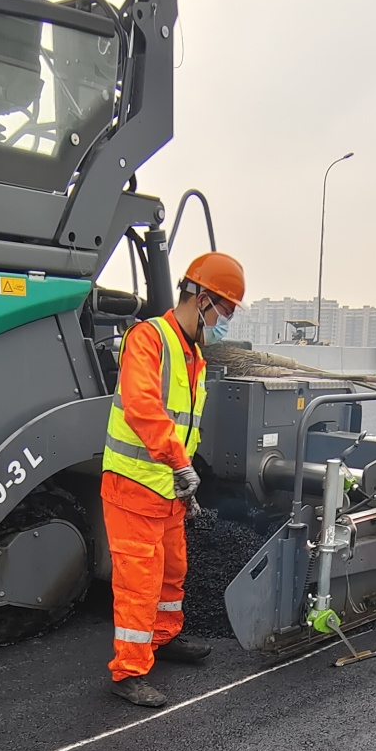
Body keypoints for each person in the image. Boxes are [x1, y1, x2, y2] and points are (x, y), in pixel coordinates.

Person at [101, 251, 246, 706]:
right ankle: (129, 670)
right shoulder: (150, 339)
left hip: (167, 487)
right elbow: (144, 406)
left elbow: (184, 422)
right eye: (225, 310)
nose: (225, 321)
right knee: (138, 582)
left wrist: (184, 469)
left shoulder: (193, 354)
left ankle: (164, 638)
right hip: (133, 484)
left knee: (172, 571)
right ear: (202, 298)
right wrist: (178, 462)